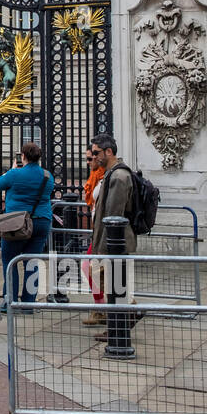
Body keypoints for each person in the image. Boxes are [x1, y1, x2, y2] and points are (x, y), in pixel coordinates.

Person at [89, 133, 136, 342]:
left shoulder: (118, 177)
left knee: (115, 287)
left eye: (97, 152)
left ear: (108, 152)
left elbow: (113, 216)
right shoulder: (111, 174)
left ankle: (118, 331)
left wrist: (105, 246)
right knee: (114, 287)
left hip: (114, 243)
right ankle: (118, 327)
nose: (94, 156)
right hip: (108, 242)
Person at [0, 142, 55, 308]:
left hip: (17, 222)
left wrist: (12, 170)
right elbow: (49, 191)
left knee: (10, 261)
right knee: (31, 263)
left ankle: (10, 302)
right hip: (41, 220)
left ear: (23, 156)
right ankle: (28, 304)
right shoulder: (47, 176)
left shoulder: (15, 174)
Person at [81, 145, 107, 325]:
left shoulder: (105, 176)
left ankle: (104, 308)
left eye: (91, 158)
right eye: (87, 159)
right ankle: (102, 308)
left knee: (89, 267)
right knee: (98, 270)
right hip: (97, 230)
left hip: (105, 232)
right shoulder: (95, 177)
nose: (88, 162)